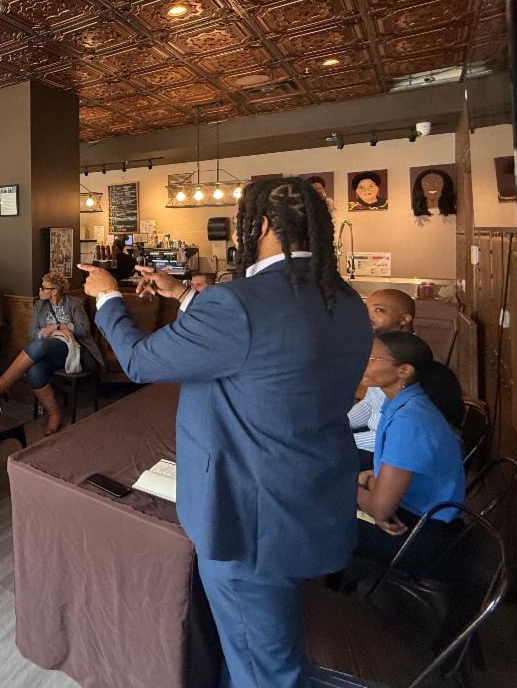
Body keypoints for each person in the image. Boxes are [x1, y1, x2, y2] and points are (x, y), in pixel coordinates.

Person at [78, 176, 372, 687]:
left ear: (258, 225)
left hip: (249, 518)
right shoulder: (346, 301)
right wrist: (181, 296)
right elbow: (270, 351)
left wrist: (108, 299)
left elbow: (141, 361)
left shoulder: (237, 304)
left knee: (265, 670)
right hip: (315, 501)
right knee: (262, 645)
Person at [355, 331, 466, 571]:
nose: (360, 360)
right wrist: (372, 486)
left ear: (404, 370)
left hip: (419, 534)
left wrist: (349, 490)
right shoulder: (401, 404)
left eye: (371, 359)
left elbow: (380, 508)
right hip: (408, 514)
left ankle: (337, 601)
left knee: (319, 521)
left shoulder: (410, 420)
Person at [351, 289, 463, 466]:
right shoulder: (383, 354)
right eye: (367, 309)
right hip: (377, 438)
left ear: (404, 319)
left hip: (396, 450)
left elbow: (396, 434)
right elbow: (369, 405)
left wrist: (343, 439)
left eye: (378, 310)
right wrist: (341, 425)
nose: (368, 316)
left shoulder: (418, 361)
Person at [0, 271, 102, 435]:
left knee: (40, 346)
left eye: (43, 288)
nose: (39, 290)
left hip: (72, 351)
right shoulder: (39, 306)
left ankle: (1, 385)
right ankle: (55, 415)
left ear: (54, 291)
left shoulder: (73, 303)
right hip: (49, 351)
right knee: (35, 371)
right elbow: (33, 333)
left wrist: (57, 328)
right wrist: (47, 333)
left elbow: (84, 329)